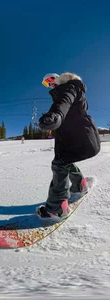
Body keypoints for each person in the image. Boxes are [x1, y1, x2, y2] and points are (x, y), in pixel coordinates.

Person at [36, 72, 100, 221]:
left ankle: (57, 209)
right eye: (46, 84)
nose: (50, 84)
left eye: (51, 80)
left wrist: (54, 116)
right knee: (64, 161)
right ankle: (80, 185)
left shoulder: (69, 88)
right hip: (82, 138)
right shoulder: (74, 89)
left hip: (82, 139)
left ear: (59, 79)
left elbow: (63, 103)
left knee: (59, 165)